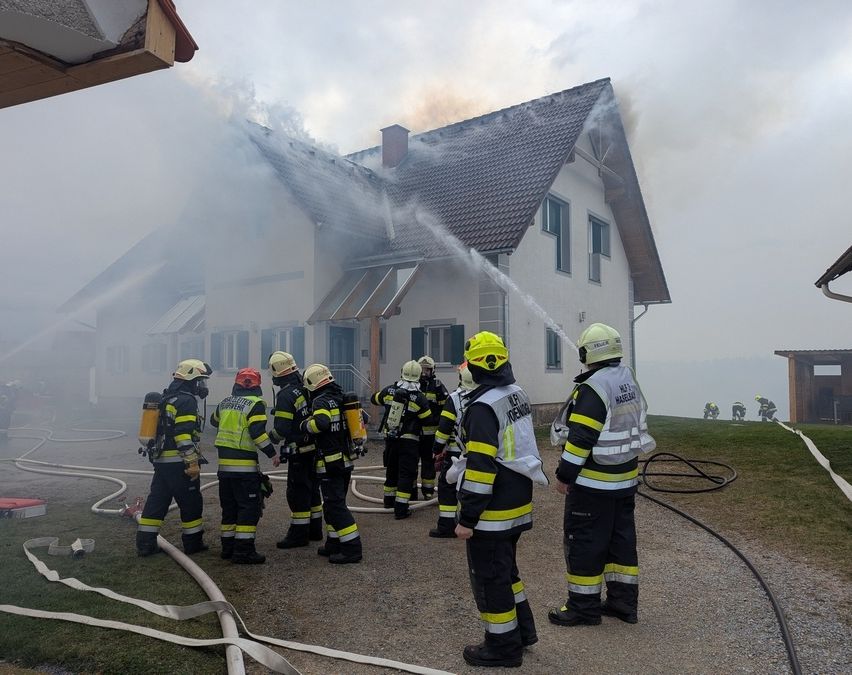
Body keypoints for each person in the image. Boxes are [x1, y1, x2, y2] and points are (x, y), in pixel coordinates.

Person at [549, 323, 655, 628]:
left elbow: (581, 438)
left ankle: (583, 608)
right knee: (620, 542)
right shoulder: (626, 378)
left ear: (587, 352)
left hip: (593, 484)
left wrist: (564, 476)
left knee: (584, 542)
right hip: (624, 480)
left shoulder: (594, 388)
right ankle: (623, 604)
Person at [452, 331, 547, 668]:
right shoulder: (515, 393)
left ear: (474, 367)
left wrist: (467, 519)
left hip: (492, 510)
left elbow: (480, 469)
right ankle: (522, 632)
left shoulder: (480, 408)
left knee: (491, 578)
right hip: (517, 501)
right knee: (507, 571)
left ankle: (503, 648)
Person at [136, 359, 211, 557]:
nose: (202, 386)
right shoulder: (187, 401)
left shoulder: (166, 397)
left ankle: (145, 544)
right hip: (179, 463)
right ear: (191, 381)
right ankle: (193, 543)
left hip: (162, 462)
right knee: (191, 503)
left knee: (157, 502)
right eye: (200, 381)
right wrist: (192, 462)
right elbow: (183, 434)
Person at [210, 368, 277, 564]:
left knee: (229, 508)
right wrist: (272, 453)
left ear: (236, 384)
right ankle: (244, 552)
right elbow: (257, 433)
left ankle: (228, 549)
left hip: (224, 468)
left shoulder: (224, 402)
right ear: (257, 386)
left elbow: (214, 422)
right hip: (244, 468)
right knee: (249, 508)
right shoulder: (256, 404)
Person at [302, 363, 362, 564]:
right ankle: (334, 544)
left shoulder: (320, 401)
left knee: (335, 506)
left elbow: (321, 424)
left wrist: (304, 425)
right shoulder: (339, 398)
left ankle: (352, 549)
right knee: (332, 505)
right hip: (344, 461)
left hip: (330, 464)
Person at [267, 351, 324, 548]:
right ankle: (315, 530)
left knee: (298, 492)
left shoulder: (285, 395)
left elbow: (281, 429)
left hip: (298, 451)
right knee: (312, 489)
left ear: (276, 373)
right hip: (314, 448)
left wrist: (270, 438)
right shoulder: (305, 387)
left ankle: (299, 535)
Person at [370, 361, 432, 520]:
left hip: (390, 440)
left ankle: (388, 501)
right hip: (409, 443)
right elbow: (427, 420)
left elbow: (374, 399)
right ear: (419, 376)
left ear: (401, 372)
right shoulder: (419, 398)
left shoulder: (390, 390)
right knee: (406, 474)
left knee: (391, 470)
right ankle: (401, 509)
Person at [428, 361, 476, 538]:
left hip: (457, 453)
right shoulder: (486, 396)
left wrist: (437, 448)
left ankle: (447, 525)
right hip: (480, 453)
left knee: (448, 486)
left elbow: (444, 428)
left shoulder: (455, 398)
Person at [416, 355, 448, 500]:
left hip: (430, 434)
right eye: (422, 370)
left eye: (427, 370)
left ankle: (428, 492)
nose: (424, 373)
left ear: (432, 370)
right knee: (411, 462)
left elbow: (445, 409)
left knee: (428, 463)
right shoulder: (413, 384)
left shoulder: (437, 386)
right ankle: (411, 493)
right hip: (415, 432)